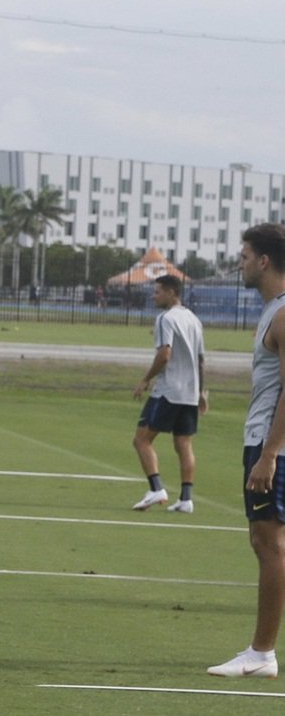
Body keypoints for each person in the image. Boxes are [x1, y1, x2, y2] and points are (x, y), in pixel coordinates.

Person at [208, 222, 285, 679]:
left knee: (268, 542)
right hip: (265, 443)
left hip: (271, 448)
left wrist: (269, 453)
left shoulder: (282, 314)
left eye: (243, 254)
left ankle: (261, 653)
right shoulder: (273, 310)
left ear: (263, 260)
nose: (238, 262)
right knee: (268, 541)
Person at [130, 273, 207, 513]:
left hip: (169, 390)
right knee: (183, 443)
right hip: (190, 393)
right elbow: (201, 359)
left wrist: (145, 379)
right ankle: (186, 499)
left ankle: (156, 489)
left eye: (158, 291)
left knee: (141, 440)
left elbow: (165, 355)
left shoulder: (165, 318)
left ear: (171, 293)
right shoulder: (194, 319)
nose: (154, 296)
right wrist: (202, 390)